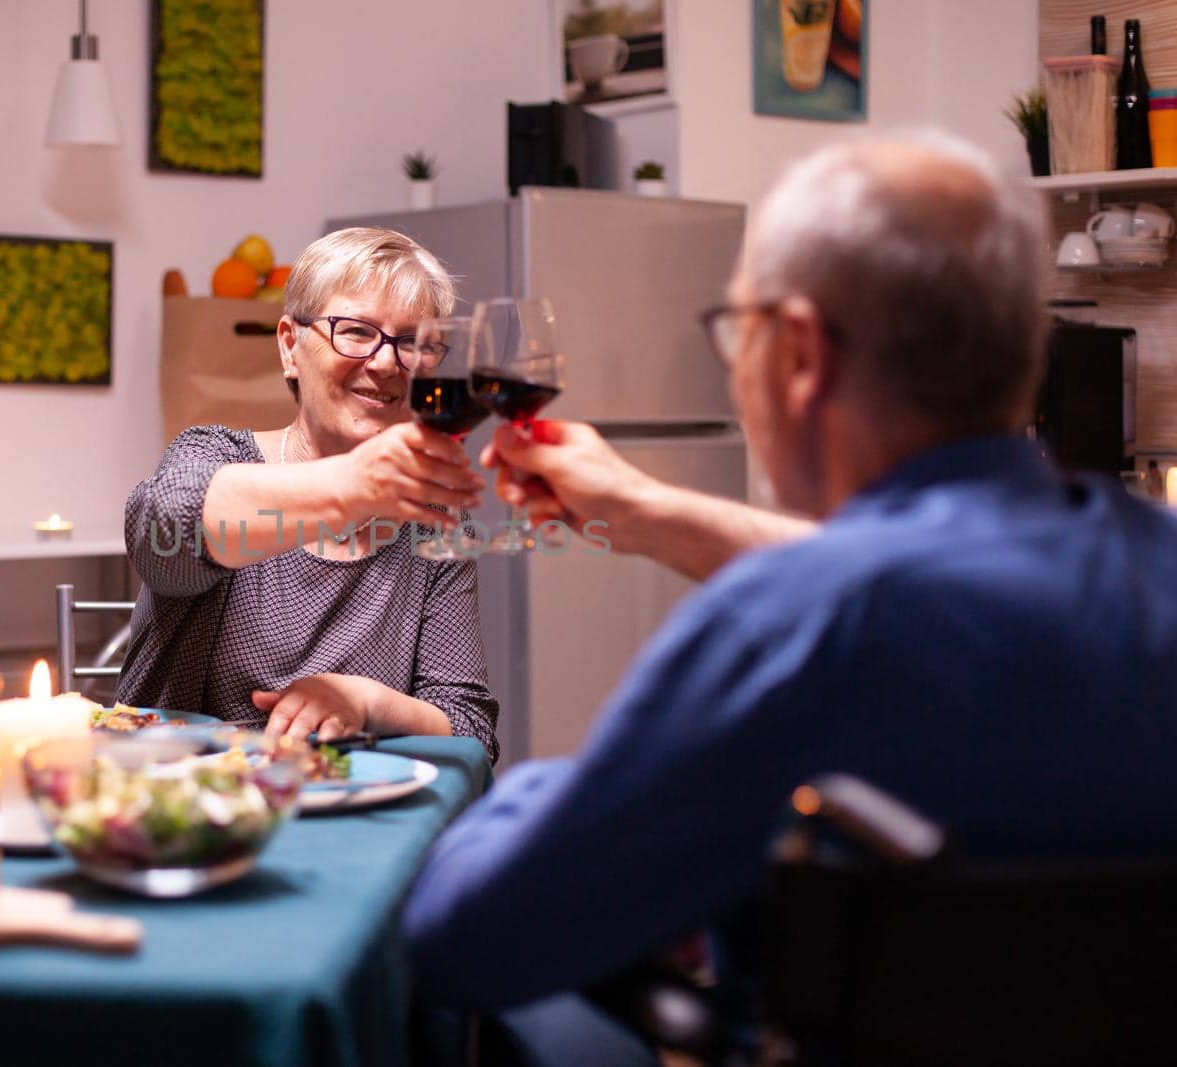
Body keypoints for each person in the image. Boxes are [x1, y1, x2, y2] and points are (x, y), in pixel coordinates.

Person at [401, 131, 1177, 1013]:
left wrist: (551, 790)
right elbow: (932, 576)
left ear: (801, 355)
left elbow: (470, 936)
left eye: (741, 332)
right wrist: (651, 512)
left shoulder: (790, 629)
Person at [116, 227, 500, 760]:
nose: (387, 363)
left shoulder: (432, 517)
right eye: (356, 331)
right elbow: (164, 531)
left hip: (355, 815)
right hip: (183, 814)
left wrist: (365, 701)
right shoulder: (215, 455)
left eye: (412, 342)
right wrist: (355, 486)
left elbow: (469, 727)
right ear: (290, 345)